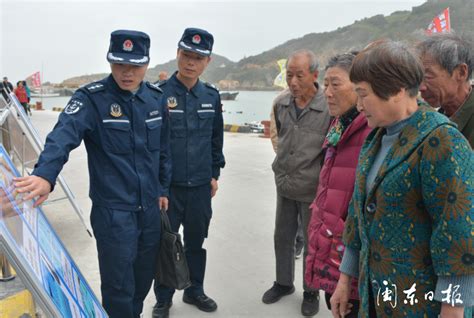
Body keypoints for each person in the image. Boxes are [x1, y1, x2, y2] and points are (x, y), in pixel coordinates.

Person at [13, 30, 171, 318]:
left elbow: (163, 150)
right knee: (118, 288)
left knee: (141, 282)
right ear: (109, 61)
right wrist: (45, 175)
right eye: (120, 64)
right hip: (114, 214)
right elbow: (63, 135)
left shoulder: (156, 99)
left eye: (135, 65)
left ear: (146, 64)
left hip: (149, 211)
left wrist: (162, 190)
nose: (127, 72)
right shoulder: (91, 99)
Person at [331, 41, 473, 318]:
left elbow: (459, 236)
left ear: (396, 90)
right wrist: (345, 278)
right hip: (379, 295)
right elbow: (357, 214)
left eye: (364, 94)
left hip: (422, 303)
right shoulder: (376, 138)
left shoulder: (442, 141)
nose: (359, 106)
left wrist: (453, 310)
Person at [152, 27, 225, 318]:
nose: (190, 62)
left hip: (199, 189)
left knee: (196, 242)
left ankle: (195, 291)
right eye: (186, 55)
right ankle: (163, 298)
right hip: (169, 190)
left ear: (207, 62)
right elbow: (154, 144)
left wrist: (214, 174)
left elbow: (215, 138)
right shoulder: (158, 95)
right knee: (166, 244)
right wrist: (158, 186)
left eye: (198, 57)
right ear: (177, 54)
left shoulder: (211, 96)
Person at [262, 49, 331, 317]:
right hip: (285, 183)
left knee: (312, 242)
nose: (293, 82)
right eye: (289, 75)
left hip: (313, 188)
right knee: (283, 236)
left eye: (299, 76)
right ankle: (283, 283)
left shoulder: (328, 106)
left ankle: (311, 291)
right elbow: (278, 137)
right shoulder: (282, 103)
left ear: (315, 75)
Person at [305, 52, 371, 317]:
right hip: (330, 249)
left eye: (336, 84)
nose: (327, 93)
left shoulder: (372, 130)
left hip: (352, 259)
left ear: (360, 86)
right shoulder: (339, 124)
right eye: (325, 84)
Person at [418, 34, 474, 147]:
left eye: (428, 76)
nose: (421, 87)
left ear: (461, 73)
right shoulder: (433, 121)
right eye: (419, 77)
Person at [270, 98, 304, 260]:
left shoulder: (323, 102)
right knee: (284, 226)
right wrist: (283, 157)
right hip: (286, 172)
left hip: (309, 174)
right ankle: (283, 282)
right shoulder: (280, 102)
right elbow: (275, 132)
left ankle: (300, 242)